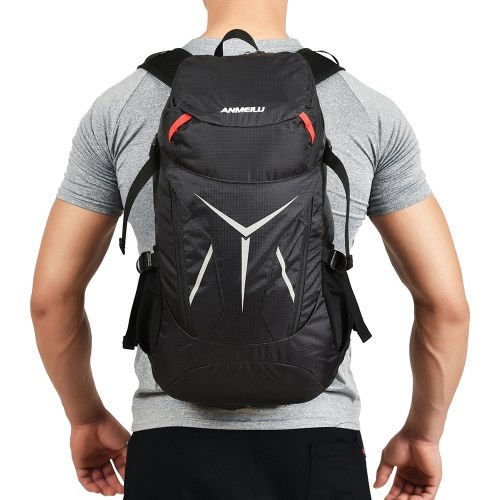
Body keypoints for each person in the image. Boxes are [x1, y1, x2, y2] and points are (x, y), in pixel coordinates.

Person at [30, 0, 470, 498]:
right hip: (318, 445)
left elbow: (51, 299)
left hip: (170, 447)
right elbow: (446, 307)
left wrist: (86, 418)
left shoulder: (122, 105)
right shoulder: (366, 110)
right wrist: (422, 434)